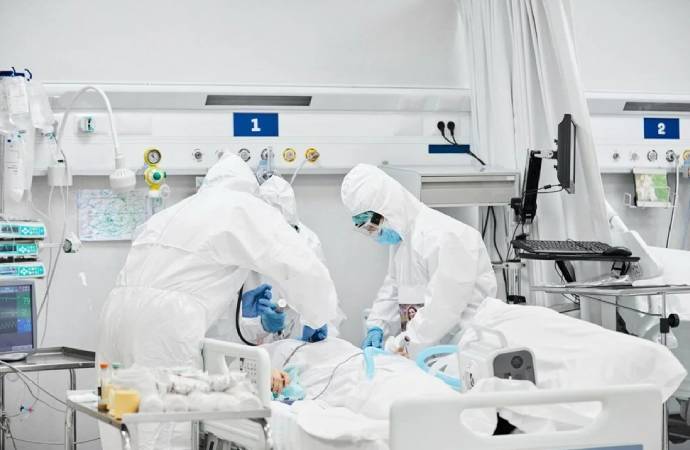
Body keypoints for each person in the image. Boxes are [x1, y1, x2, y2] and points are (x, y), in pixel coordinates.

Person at [97, 153, 338, 450]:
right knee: (163, 427)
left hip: (115, 316)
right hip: (162, 327)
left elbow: (185, 279)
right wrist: (318, 315)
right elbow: (301, 265)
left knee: (121, 418)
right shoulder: (241, 205)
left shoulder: (174, 212)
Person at [341, 164, 496, 355]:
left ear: (389, 208)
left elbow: (443, 309)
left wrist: (400, 345)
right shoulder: (403, 241)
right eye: (366, 229)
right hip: (427, 351)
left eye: (372, 225)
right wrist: (377, 325)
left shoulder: (446, 236)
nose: (374, 234)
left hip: (462, 350)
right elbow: (393, 288)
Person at [230, 175, 345, 344]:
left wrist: (322, 330)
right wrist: (260, 325)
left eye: (287, 232)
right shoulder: (243, 248)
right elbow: (231, 326)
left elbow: (325, 295)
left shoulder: (308, 241)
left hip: (302, 342)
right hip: (257, 348)